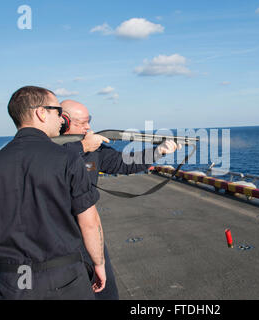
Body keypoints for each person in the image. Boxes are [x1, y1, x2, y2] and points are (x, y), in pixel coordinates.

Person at [0, 86, 106, 299]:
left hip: (12, 283)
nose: (62, 120)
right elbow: (89, 222)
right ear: (41, 112)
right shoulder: (67, 159)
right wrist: (99, 263)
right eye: (57, 112)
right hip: (66, 279)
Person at [60, 99, 180, 300]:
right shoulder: (48, 149)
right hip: (56, 235)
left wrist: (157, 152)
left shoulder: (94, 148)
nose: (88, 127)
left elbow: (125, 163)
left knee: (105, 292)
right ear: (63, 122)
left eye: (89, 121)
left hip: (88, 232)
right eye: (82, 122)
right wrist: (80, 147)